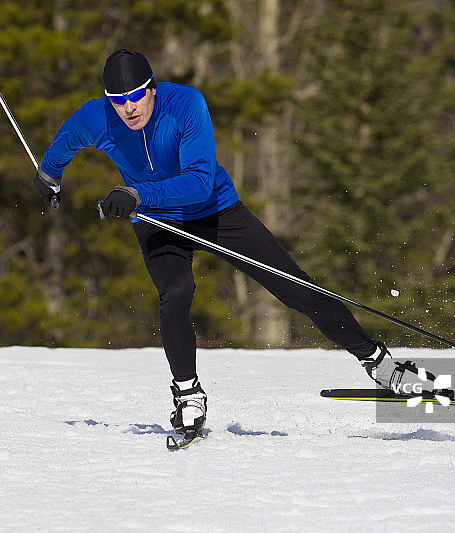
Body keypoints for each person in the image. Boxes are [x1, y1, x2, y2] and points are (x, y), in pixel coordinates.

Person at [34, 49, 417, 438]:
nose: (128, 108)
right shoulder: (94, 117)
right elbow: (64, 145)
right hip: (158, 221)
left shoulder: (185, 104)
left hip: (213, 210)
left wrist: (136, 194)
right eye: (118, 100)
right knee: (176, 292)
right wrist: (49, 176)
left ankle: (380, 364)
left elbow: (199, 182)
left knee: (295, 288)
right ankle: (187, 395)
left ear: (152, 89)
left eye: (136, 96)